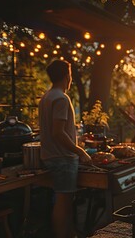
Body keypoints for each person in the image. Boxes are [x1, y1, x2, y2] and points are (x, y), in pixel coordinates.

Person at [39, 59, 92, 238]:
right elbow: (58, 133)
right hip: (62, 158)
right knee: (64, 201)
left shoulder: (46, 97)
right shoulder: (61, 98)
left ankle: (69, 233)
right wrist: (80, 151)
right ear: (66, 76)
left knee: (64, 200)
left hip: (50, 156)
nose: (70, 79)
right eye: (69, 75)